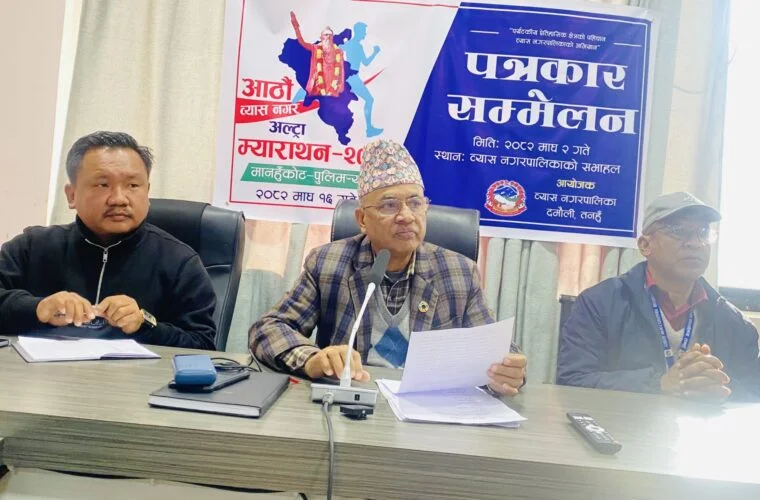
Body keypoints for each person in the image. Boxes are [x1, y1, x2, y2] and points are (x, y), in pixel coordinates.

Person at [250, 139, 526, 396]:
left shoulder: (459, 272)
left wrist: (505, 370)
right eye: (390, 205)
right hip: (352, 401)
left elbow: (494, 347)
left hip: (427, 407)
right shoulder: (328, 262)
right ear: (362, 219)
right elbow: (268, 329)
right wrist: (312, 359)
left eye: (415, 203)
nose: (406, 216)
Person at [0, 131, 217, 349]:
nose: (119, 199)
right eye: (103, 185)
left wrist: (144, 323)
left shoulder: (180, 261)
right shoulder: (32, 247)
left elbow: (202, 345)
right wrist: (37, 308)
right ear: (72, 195)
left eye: (133, 185)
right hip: (39, 371)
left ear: (147, 192)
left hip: (135, 372)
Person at [557, 192, 760, 402]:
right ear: (645, 245)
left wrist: (711, 385)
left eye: (703, 232)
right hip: (623, 420)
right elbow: (573, 380)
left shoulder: (733, 322)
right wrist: (659, 383)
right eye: (679, 231)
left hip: (703, 421)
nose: (695, 243)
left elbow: (754, 391)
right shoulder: (599, 303)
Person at [340, 22, 383, 137]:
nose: (365, 34)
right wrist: (375, 53)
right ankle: (369, 129)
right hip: (353, 78)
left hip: (348, 77)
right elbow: (366, 63)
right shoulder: (356, 46)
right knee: (369, 100)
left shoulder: (349, 44)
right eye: (364, 31)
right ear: (359, 32)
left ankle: (367, 129)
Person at [290, 11, 345, 97]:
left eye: (330, 35)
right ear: (321, 37)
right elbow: (302, 42)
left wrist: (340, 85)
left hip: (332, 83)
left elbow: (341, 69)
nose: (328, 37)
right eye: (326, 35)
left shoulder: (338, 51)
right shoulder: (315, 48)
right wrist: (296, 28)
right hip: (319, 83)